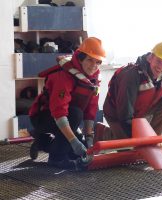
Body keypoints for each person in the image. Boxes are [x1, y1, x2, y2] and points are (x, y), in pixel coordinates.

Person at [95, 42, 162, 142]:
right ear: (150, 58)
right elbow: (124, 111)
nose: (161, 67)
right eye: (159, 61)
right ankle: (104, 133)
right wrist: (137, 137)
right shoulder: (132, 75)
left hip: (139, 111)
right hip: (117, 114)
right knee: (129, 146)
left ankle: (153, 140)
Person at [29, 37, 106, 169]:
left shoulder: (93, 80)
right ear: (81, 58)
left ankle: (42, 142)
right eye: (90, 60)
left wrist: (88, 138)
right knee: (75, 117)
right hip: (43, 117)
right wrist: (73, 141)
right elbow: (59, 112)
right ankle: (56, 159)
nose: (94, 66)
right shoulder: (63, 75)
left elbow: (91, 110)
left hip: (68, 116)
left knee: (76, 153)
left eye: (98, 62)